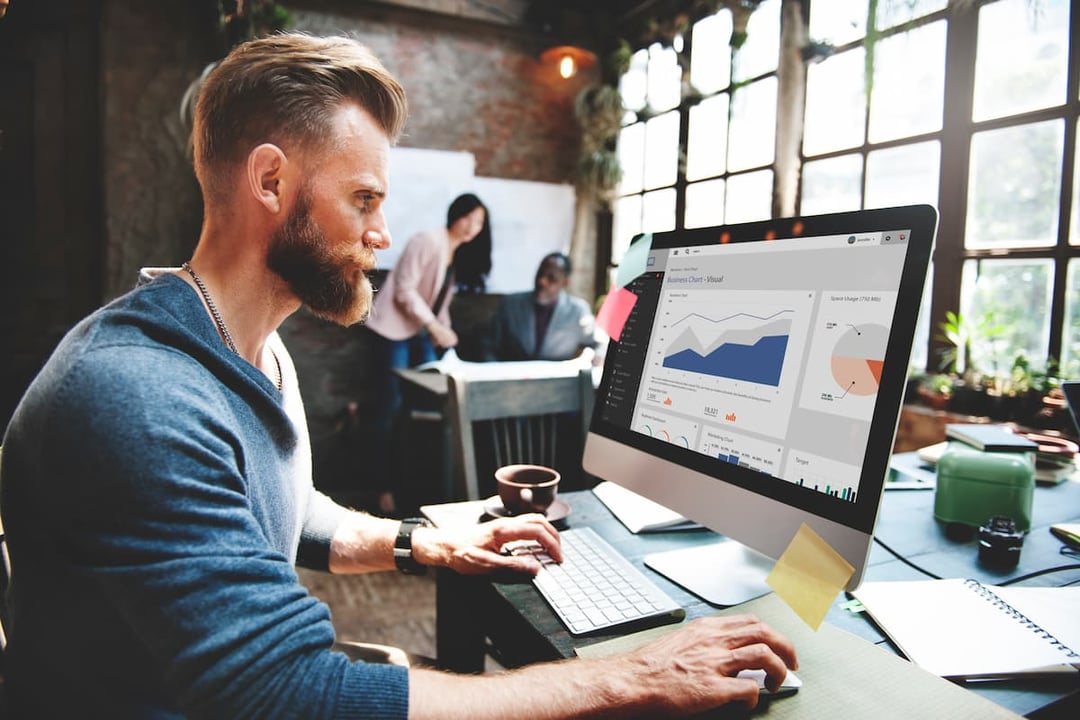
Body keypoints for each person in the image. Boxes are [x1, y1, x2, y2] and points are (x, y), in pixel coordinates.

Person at [0, 32, 797, 719]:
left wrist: (432, 545)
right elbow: (295, 695)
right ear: (270, 182)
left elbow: (289, 511)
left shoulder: (252, 349)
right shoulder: (136, 397)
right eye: (365, 198)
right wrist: (633, 678)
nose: (382, 232)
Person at [364, 192, 491, 514]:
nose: (472, 228)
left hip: (418, 333)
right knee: (389, 407)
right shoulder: (427, 240)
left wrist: (445, 334)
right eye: (469, 218)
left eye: (479, 224)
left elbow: (439, 302)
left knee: (422, 408)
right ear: (455, 214)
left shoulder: (455, 253)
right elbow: (405, 291)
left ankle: (413, 486)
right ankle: (380, 487)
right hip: (392, 331)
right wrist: (435, 327)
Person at [486, 252, 602, 364]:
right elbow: (488, 344)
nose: (542, 281)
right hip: (512, 378)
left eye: (551, 278)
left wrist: (595, 357)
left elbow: (599, 344)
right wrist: (494, 370)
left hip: (558, 380)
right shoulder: (510, 304)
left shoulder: (578, 311)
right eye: (540, 274)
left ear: (565, 282)